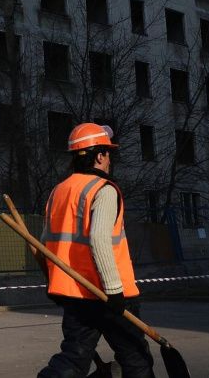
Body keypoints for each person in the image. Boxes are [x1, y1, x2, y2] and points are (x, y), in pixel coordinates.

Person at [38, 123, 154, 378]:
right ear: (100, 155)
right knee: (136, 358)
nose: (110, 159)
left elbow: (44, 245)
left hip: (76, 294)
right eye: (108, 153)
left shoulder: (59, 191)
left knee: (74, 356)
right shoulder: (103, 190)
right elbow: (100, 239)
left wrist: (53, 284)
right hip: (111, 293)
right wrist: (114, 291)